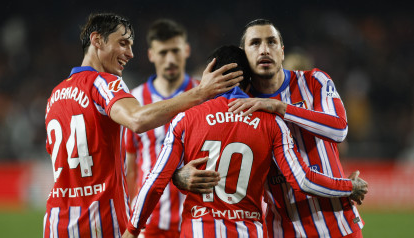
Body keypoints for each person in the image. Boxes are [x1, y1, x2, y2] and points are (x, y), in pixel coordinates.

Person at [122, 45, 367, 238]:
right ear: (249, 81)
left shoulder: (185, 120)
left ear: (209, 75)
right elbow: (301, 180)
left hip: (199, 227)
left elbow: (154, 182)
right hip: (247, 228)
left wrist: (132, 230)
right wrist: (348, 186)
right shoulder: (272, 123)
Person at [43, 12, 242, 238]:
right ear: (97, 40)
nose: (130, 53)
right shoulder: (103, 83)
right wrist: (200, 93)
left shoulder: (56, 95)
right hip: (100, 220)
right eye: (123, 43)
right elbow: (137, 119)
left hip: (57, 222)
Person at [124, 19, 198, 238]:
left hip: (195, 216)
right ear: (151, 55)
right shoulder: (134, 101)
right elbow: (130, 166)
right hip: (151, 221)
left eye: (175, 51)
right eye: (163, 52)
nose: (170, 59)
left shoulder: (204, 96)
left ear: (186, 50)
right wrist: (131, 213)